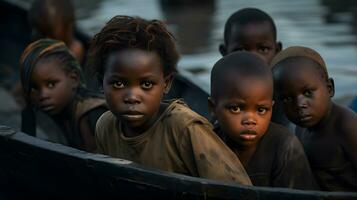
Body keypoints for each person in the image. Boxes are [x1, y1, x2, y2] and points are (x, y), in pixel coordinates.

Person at [89, 15, 251, 185]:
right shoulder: (105, 126)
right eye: (119, 83)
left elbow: (237, 188)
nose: (132, 97)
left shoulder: (184, 128)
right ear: (101, 83)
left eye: (146, 84)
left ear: (166, 84)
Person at [208, 51, 317, 189]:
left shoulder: (285, 147)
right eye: (236, 109)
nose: (250, 120)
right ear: (213, 108)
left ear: (271, 107)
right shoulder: (208, 142)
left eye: (261, 110)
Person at [271, 46, 357, 191]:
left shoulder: (347, 126)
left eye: (307, 92)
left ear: (329, 88)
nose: (299, 104)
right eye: (287, 98)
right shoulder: (299, 129)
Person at [20, 39, 107, 153]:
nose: (43, 95)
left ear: (74, 78)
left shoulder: (91, 114)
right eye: (34, 88)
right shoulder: (61, 110)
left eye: (51, 84)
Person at [218, 8, 291, 128]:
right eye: (240, 50)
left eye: (263, 49)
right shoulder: (221, 92)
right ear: (224, 52)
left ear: (277, 51)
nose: (253, 58)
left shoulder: (286, 95)